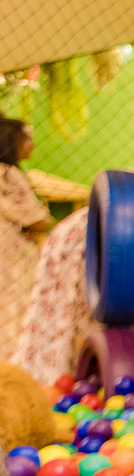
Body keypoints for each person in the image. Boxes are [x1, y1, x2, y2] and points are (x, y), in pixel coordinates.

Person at [0, 118, 53, 362]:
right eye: (27, 138)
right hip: (12, 257)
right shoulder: (9, 175)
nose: (32, 144)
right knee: (14, 307)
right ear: (11, 142)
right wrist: (39, 223)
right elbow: (40, 220)